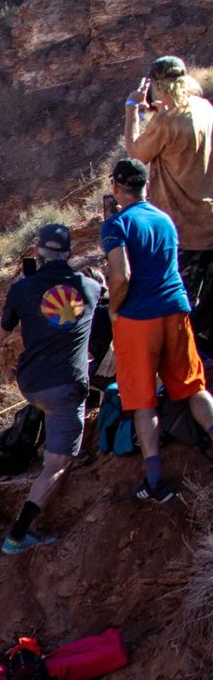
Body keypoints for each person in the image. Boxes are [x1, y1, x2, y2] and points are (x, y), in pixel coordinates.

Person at [101, 158, 213, 502]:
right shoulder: (165, 219)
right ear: (146, 186)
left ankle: (155, 481)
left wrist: (115, 309)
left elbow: (122, 274)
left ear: (116, 188)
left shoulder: (116, 224)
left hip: (139, 317)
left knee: (142, 400)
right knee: (194, 388)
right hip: (176, 309)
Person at [0, 223, 101, 551]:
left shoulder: (22, 289)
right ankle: (18, 535)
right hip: (65, 386)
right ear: (71, 252)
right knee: (57, 465)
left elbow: (3, 331)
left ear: (38, 251)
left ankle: (56, 442)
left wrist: (20, 288)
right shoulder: (91, 288)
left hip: (31, 384)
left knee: (52, 413)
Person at [124, 56, 213, 351]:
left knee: (179, 306)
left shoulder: (166, 122)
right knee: (207, 310)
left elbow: (136, 154)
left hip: (182, 228)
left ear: (158, 86)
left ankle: (180, 363)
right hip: (209, 222)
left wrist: (132, 108)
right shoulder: (204, 108)